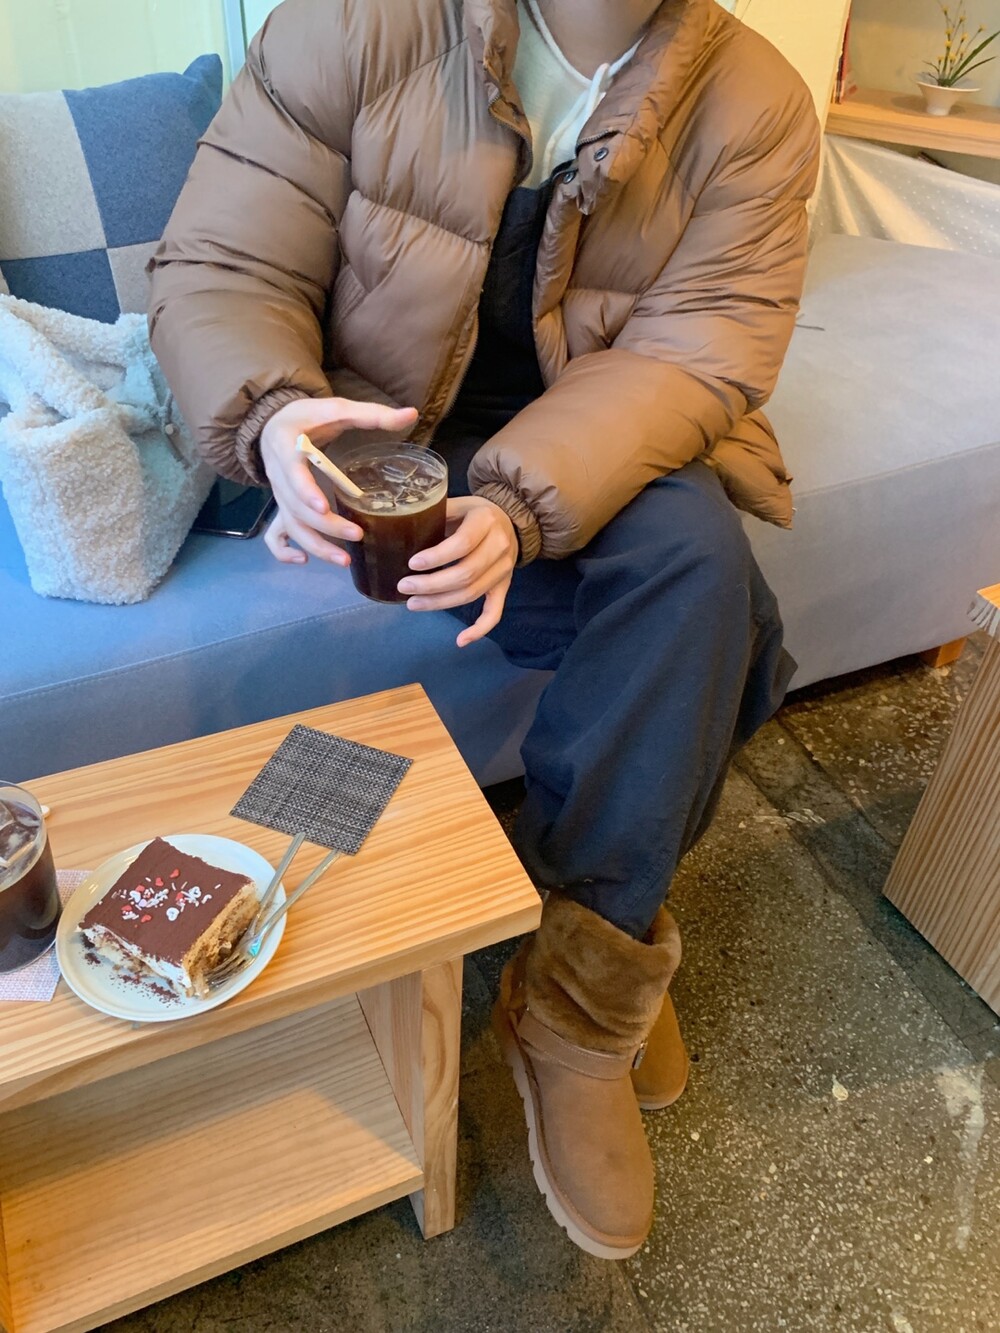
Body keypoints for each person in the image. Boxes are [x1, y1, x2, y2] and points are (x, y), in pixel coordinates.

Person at [149, 0, 820, 1260]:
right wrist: (278, 420)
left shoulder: (757, 99)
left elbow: (697, 355)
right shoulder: (358, 22)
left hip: (586, 439)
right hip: (379, 432)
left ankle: (571, 1008)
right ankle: (608, 941)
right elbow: (225, 264)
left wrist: (518, 505)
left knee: (700, 569)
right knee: (726, 635)